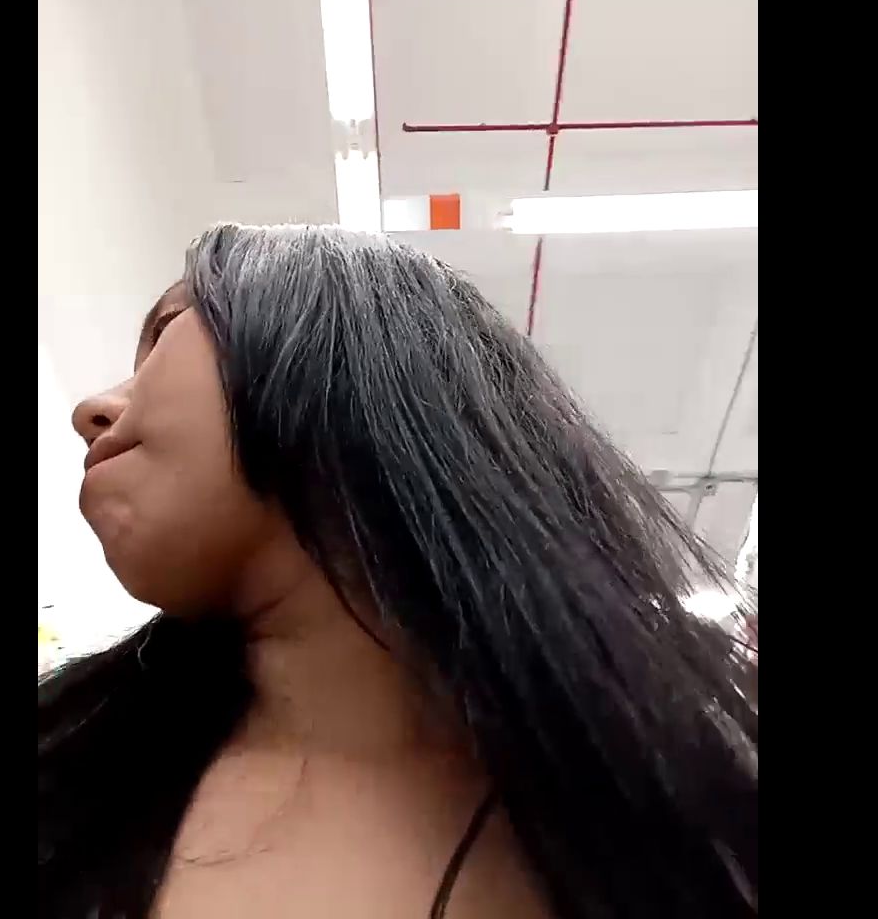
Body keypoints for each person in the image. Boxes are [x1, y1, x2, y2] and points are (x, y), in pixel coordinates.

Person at [38, 224, 758, 919]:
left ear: (349, 354)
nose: (88, 411)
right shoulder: (65, 767)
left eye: (166, 331)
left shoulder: (698, 811)